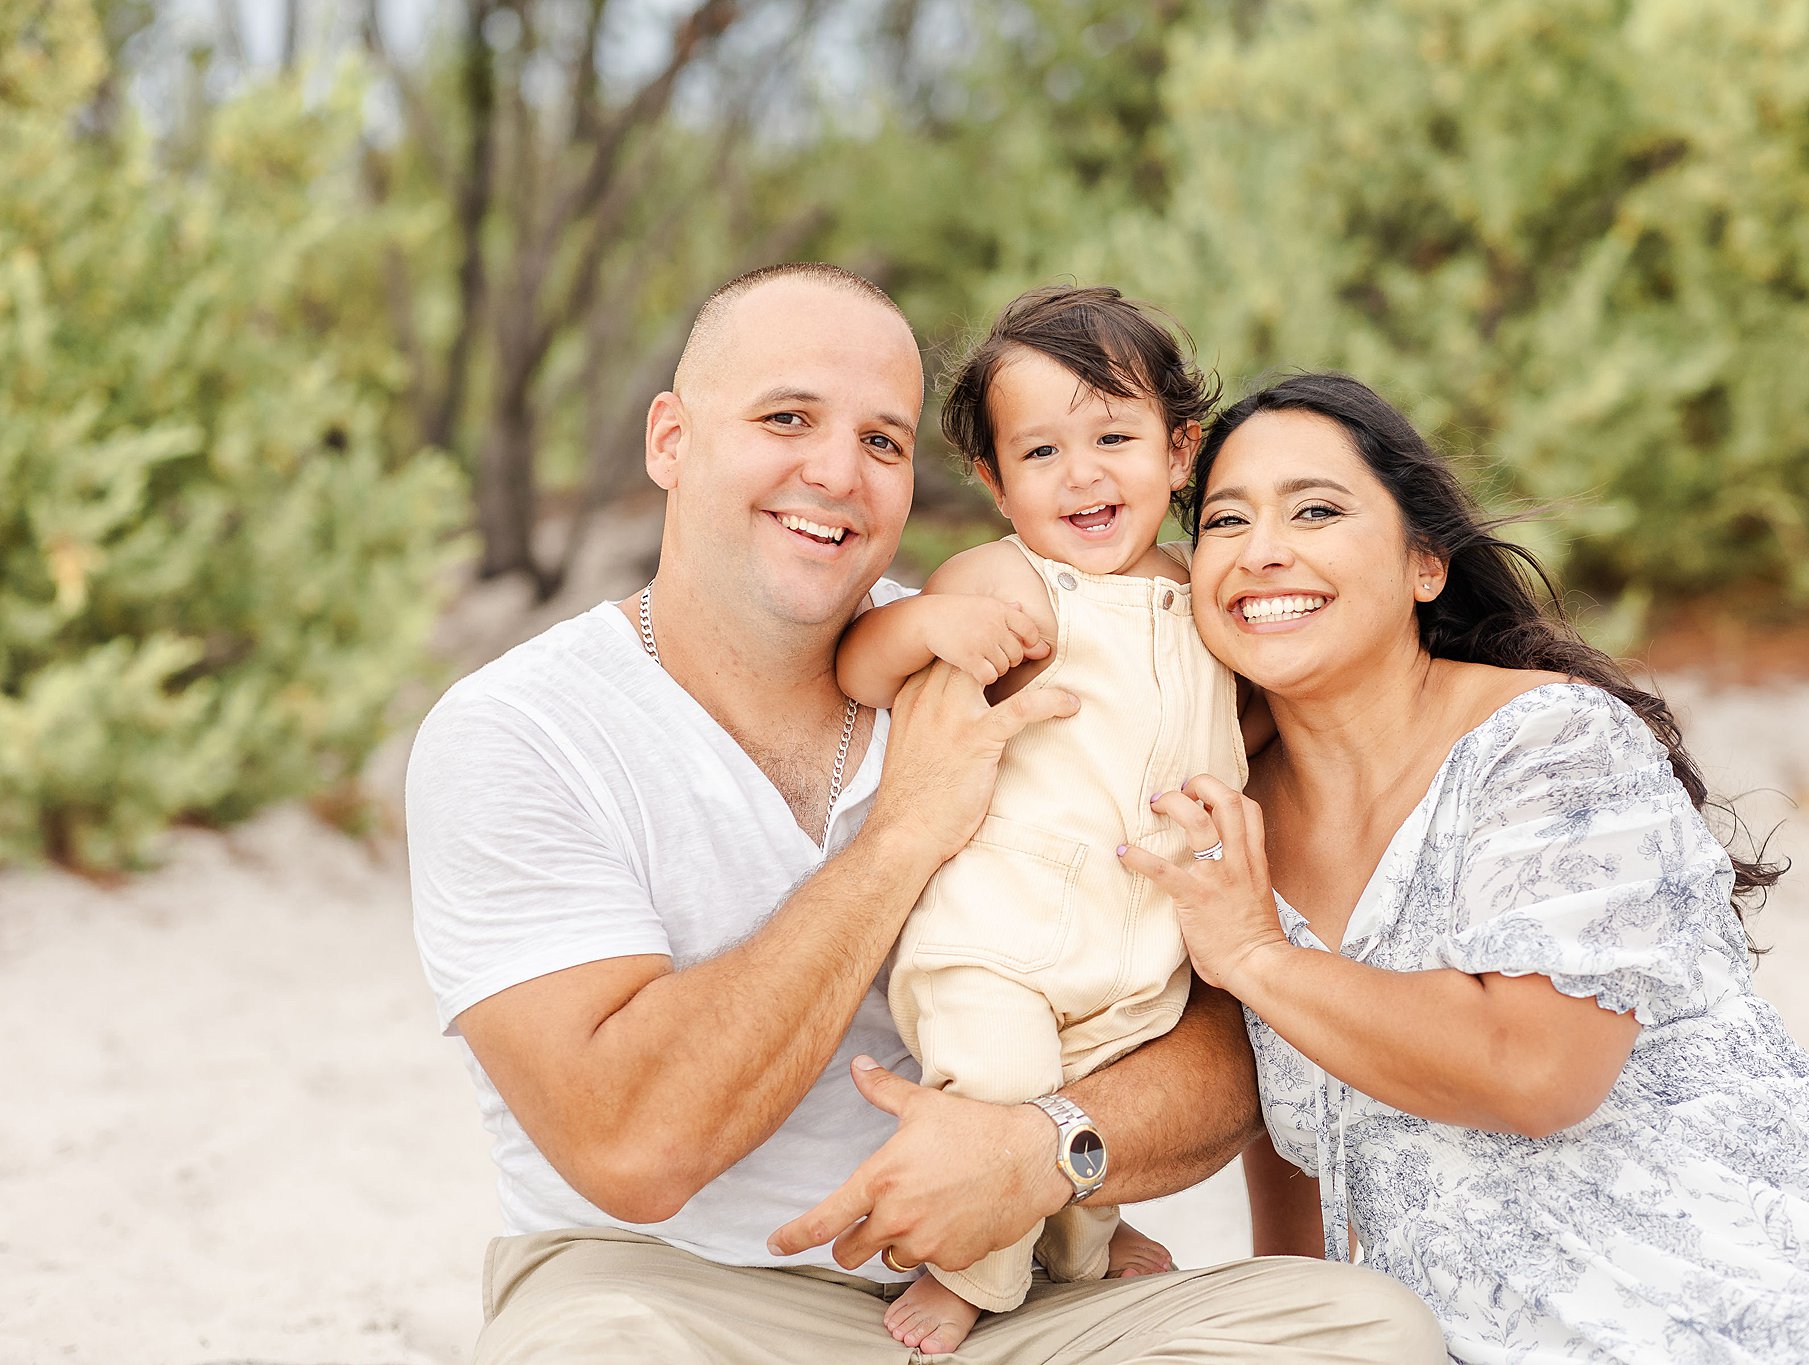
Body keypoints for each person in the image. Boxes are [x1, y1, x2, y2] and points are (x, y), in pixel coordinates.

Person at [406, 269, 1444, 1364]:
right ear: (669, 439)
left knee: (1361, 1333)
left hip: (1018, 1297)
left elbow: (1231, 1036)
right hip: (682, 1300)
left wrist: (1051, 1149)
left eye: (882, 442)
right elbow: (632, 1149)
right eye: (786, 418)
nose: (834, 473)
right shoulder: (520, 731)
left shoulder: (1013, 652)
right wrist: (904, 832)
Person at [1118, 371, 1809, 1364]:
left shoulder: (1550, 744)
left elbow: (1535, 1070)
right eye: (1224, 520)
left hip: (1749, 1294)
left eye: (1315, 510)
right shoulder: (1224, 813)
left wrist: (1257, 955)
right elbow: (1303, 1118)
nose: (1263, 551)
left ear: (1425, 560)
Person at [833, 285, 1245, 1354]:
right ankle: (970, 1275)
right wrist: (928, 621)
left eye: (1115, 436)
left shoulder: (1203, 593)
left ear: (1179, 450)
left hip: (1141, 934)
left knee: (1099, 1093)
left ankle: (1080, 1244)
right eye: (1042, 453)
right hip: (1000, 930)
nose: (1084, 475)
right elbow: (862, 667)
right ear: (994, 480)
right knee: (1003, 1085)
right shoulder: (1000, 581)